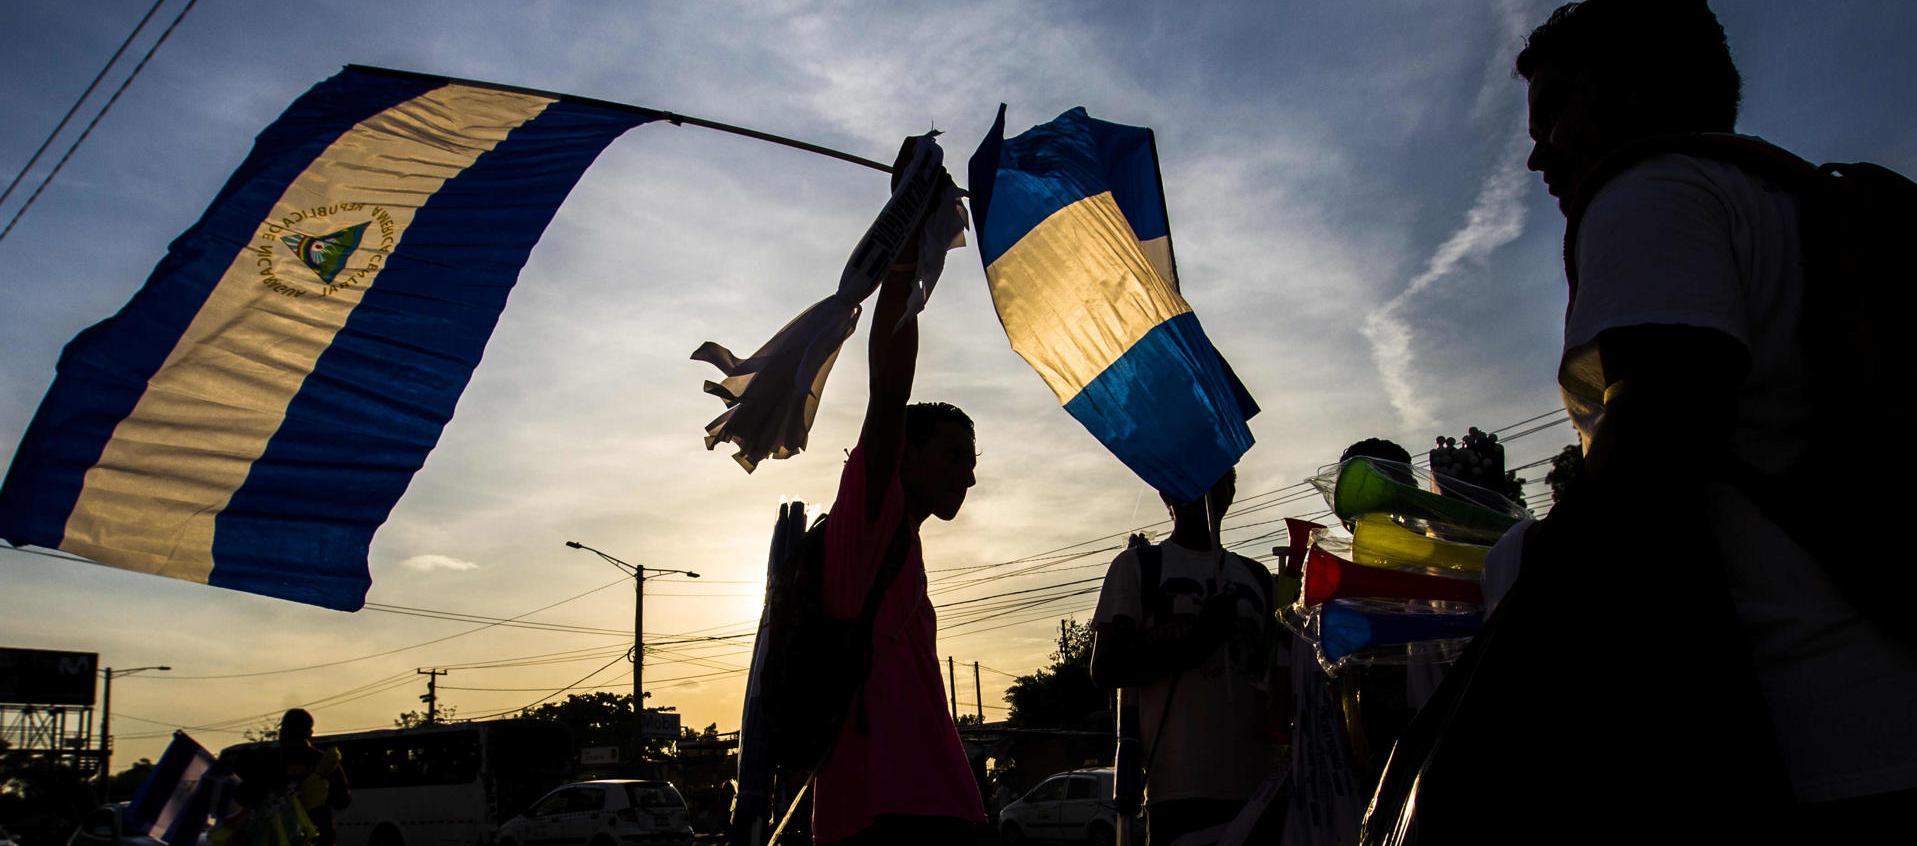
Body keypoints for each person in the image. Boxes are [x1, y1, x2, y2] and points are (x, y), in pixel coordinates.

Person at [1515, 0, 1917, 833]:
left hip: (1807, 737)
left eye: (1554, 108)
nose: (1536, 154)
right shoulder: (1795, 202)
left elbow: (1656, 438)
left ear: (1630, 92)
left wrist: (1522, 609)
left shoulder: (1648, 191)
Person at [810, 140, 985, 846]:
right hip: (884, 810)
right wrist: (906, 229)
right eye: (954, 456)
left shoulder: (901, 543)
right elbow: (890, 380)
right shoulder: (869, 512)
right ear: (902, 453)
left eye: (972, 463)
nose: (967, 476)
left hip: (938, 803)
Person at [1090, 470, 1283, 845]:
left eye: (1217, 479)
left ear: (1230, 490)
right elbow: (1107, 667)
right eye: (1193, 480)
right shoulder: (1137, 566)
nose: (1206, 492)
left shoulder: (1258, 578)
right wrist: (1198, 641)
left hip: (1257, 788)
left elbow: (1274, 673)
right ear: (1168, 495)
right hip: (1178, 789)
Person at [276, 709, 349, 846]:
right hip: (318, 833)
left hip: (278, 834)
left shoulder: (270, 762)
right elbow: (342, 801)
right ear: (308, 732)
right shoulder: (325, 762)